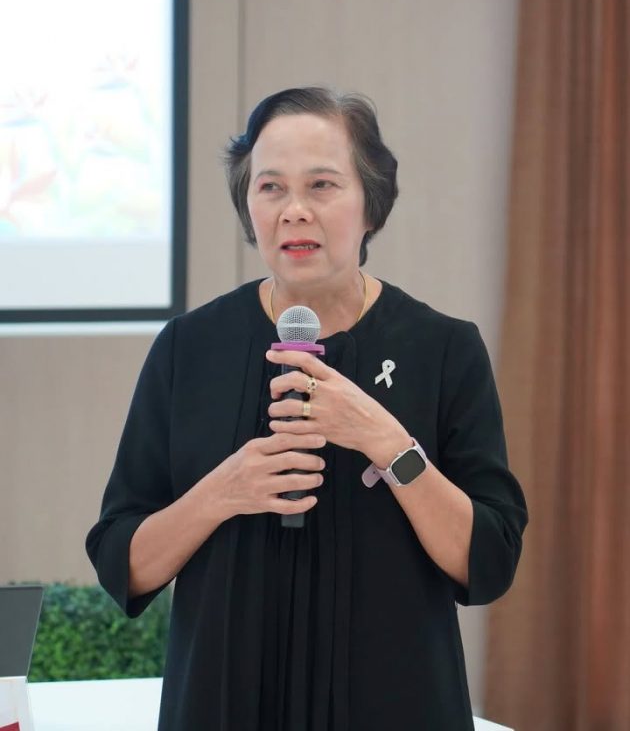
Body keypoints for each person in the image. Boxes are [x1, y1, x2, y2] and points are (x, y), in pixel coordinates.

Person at [86, 86, 528, 730]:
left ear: (371, 203)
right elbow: (121, 563)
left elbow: (488, 562)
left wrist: (390, 446)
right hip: (225, 705)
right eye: (271, 188)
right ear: (249, 207)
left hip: (394, 706)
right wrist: (223, 492)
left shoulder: (443, 348)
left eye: (322, 185)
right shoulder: (189, 347)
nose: (294, 211)